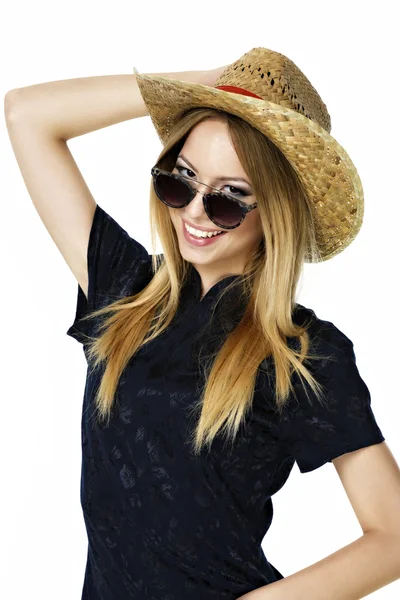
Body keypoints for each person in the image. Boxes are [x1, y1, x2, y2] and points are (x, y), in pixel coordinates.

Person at [6, 47, 397, 600]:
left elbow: (393, 537)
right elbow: (27, 114)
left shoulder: (299, 352)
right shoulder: (126, 292)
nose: (193, 212)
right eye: (181, 181)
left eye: (230, 199)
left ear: (275, 211)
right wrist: (203, 88)